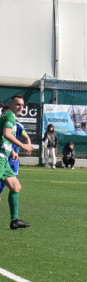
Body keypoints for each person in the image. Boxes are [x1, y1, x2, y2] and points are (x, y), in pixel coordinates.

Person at [1, 96, 34, 229]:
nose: (21, 107)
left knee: (15, 186)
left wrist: (12, 151)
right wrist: (24, 146)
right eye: (18, 104)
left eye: (22, 105)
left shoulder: (12, 119)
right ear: (10, 104)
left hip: (4, 157)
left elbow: (5, 138)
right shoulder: (9, 115)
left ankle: (14, 220)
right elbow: (7, 134)